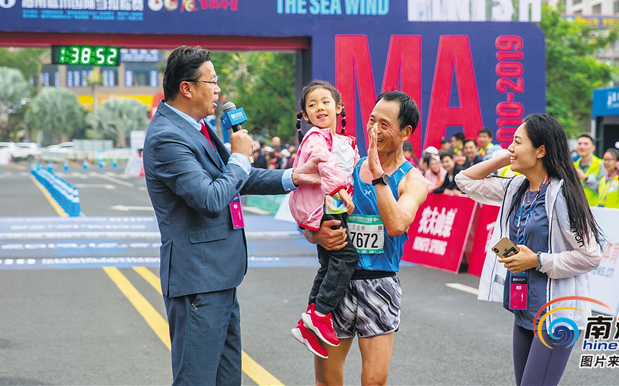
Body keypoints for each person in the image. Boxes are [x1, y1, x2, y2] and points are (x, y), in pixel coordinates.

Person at [143, 46, 323, 385]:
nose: (218, 90)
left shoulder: (197, 127)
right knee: (196, 379)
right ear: (187, 88)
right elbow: (211, 197)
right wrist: (239, 157)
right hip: (198, 280)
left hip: (220, 276)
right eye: (212, 82)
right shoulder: (167, 137)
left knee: (227, 379)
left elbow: (237, 178)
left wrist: (295, 176)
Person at [455, 114, 602, 386]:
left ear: (540, 150)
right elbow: (464, 181)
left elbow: (591, 256)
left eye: (517, 142)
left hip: (556, 315)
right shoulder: (516, 188)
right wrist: (506, 157)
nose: (511, 147)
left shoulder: (561, 194)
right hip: (524, 309)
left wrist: (537, 260)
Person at [304, 91, 428, 386]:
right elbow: (312, 216)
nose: (374, 130)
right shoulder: (346, 167)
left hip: (380, 285)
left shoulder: (413, 180)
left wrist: (378, 173)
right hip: (336, 283)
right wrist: (315, 235)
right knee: (326, 381)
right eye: (372, 120)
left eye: (384, 124)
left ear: (406, 132)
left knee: (374, 382)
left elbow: (396, 225)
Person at [288, 80, 359, 359]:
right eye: (312, 104)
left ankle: (307, 324)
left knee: (328, 264)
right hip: (326, 208)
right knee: (346, 258)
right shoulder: (316, 139)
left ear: (339, 107)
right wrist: (341, 191)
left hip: (333, 207)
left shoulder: (345, 141)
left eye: (325, 102)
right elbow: (325, 164)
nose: (320, 108)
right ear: (304, 114)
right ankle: (319, 314)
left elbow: (355, 169)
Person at [573, 134, 606, 207]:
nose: (582, 146)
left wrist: (586, 178)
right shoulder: (573, 166)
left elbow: (603, 188)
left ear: (593, 148)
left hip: (595, 208)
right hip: (577, 207)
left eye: (586, 144)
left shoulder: (601, 164)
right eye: (579, 144)